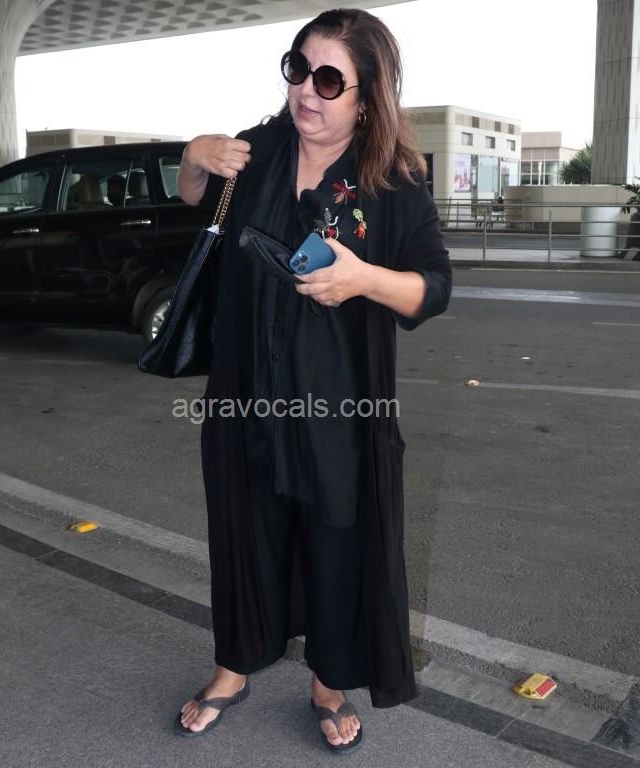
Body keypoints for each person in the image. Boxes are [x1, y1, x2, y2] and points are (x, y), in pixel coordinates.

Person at [174, 8, 451, 753]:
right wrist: (194, 156)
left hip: (338, 407)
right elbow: (194, 195)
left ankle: (328, 683)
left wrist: (364, 279)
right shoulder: (260, 148)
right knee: (244, 531)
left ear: (366, 96)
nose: (306, 90)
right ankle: (233, 667)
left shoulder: (391, 181)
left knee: (334, 543)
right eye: (298, 69)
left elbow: (432, 288)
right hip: (245, 392)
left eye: (329, 80)